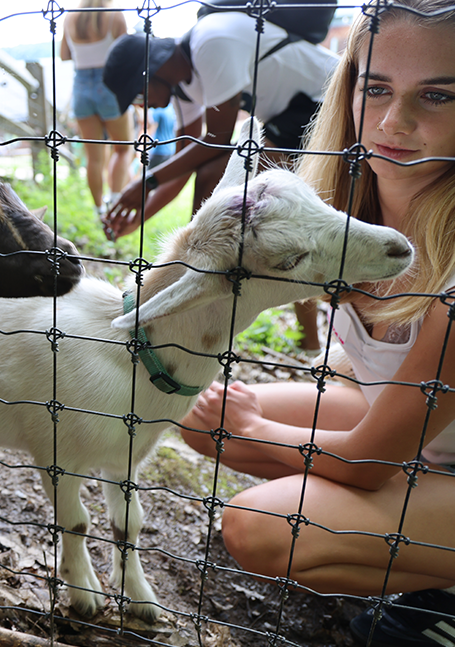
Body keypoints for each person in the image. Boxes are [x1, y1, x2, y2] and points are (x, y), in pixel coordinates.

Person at [179, 1, 455, 643]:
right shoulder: (346, 210)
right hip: (425, 443)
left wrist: (253, 425)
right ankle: (413, 553)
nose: (394, 121)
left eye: (437, 96)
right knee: (197, 421)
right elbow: (363, 384)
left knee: (261, 528)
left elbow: (365, 462)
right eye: (376, 86)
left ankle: (434, 591)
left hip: (410, 456)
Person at [99, 13, 336, 351]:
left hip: (326, 100)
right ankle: (206, 275)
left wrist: (146, 182)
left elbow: (220, 139)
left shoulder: (210, 43)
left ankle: (307, 339)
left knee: (279, 209)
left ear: (152, 69)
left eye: (138, 95)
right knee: (213, 178)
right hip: (290, 116)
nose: (144, 104)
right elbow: (187, 165)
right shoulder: (185, 83)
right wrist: (139, 215)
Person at [59, 0, 132, 216]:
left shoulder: (70, 16)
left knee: (94, 158)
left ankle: (99, 209)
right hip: (109, 86)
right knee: (123, 148)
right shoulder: (115, 15)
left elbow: (64, 55)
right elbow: (126, 55)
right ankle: (115, 202)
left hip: (81, 89)